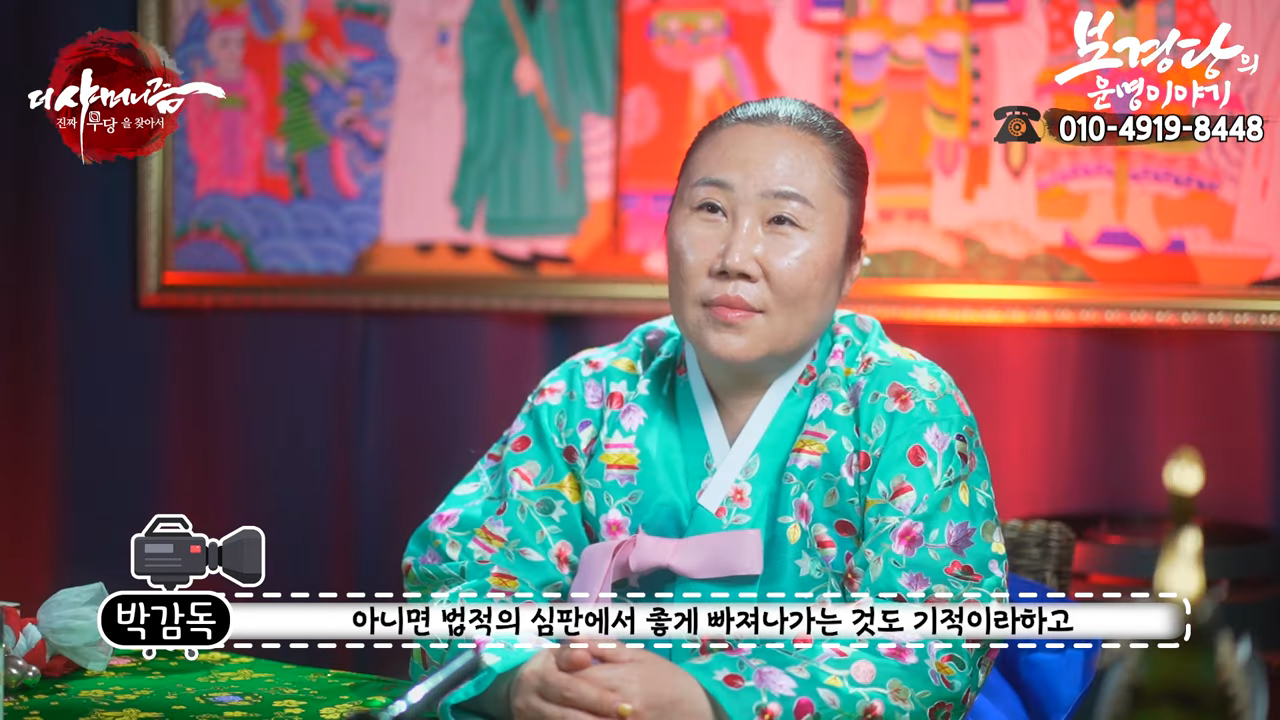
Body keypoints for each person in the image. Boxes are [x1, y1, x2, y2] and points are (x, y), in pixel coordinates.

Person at [404, 97, 1008, 720]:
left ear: (851, 263)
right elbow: (458, 577)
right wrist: (521, 680)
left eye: (782, 220)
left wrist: (710, 704)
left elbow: (935, 643)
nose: (735, 259)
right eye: (711, 209)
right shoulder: (586, 394)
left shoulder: (904, 405)